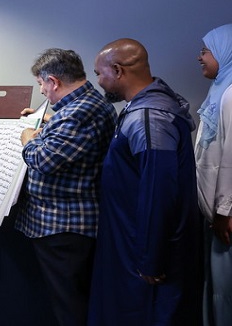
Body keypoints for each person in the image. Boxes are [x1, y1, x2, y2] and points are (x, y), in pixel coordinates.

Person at [88, 38, 202, 325]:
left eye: (99, 73)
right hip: (132, 239)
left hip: (143, 250)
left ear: (117, 70)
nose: (99, 81)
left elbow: (159, 189)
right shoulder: (145, 107)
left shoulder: (147, 117)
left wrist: (152, 257)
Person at [14, 48, 117, 326]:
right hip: (67, 225)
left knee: (69, 304)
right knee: (68, 299)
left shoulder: (78, 113)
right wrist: (45, 122)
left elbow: (43, 160)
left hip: (63, 227)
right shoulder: (86, 103)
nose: (42, 92)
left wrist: (27, 137)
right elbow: (71, 136)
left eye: (41, 84)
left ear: (54, 81)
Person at [196, 23, 232, 326]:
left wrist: (224, 211)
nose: (199, 57)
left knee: (226, 293)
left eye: (205, 50)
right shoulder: (220, 88)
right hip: (216, 218)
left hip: (227, 219)